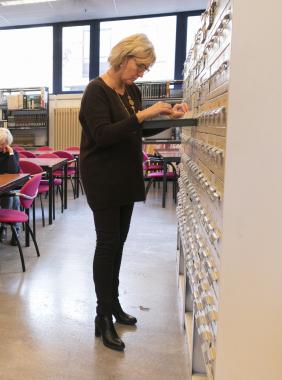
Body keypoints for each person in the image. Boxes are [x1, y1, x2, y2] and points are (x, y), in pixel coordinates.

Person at [79, 33, 188, 351]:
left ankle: (112, 304)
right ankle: (101, 317)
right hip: (102, 176)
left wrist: (168, 117)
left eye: (145, 68)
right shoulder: (95, 91)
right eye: (139, 66)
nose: (141, 73)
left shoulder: (131, 90)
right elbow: (102, 135)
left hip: (126, 175)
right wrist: (144, 114)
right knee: (107, 243)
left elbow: (135, 128)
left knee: (119, 244)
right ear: (123, 57)